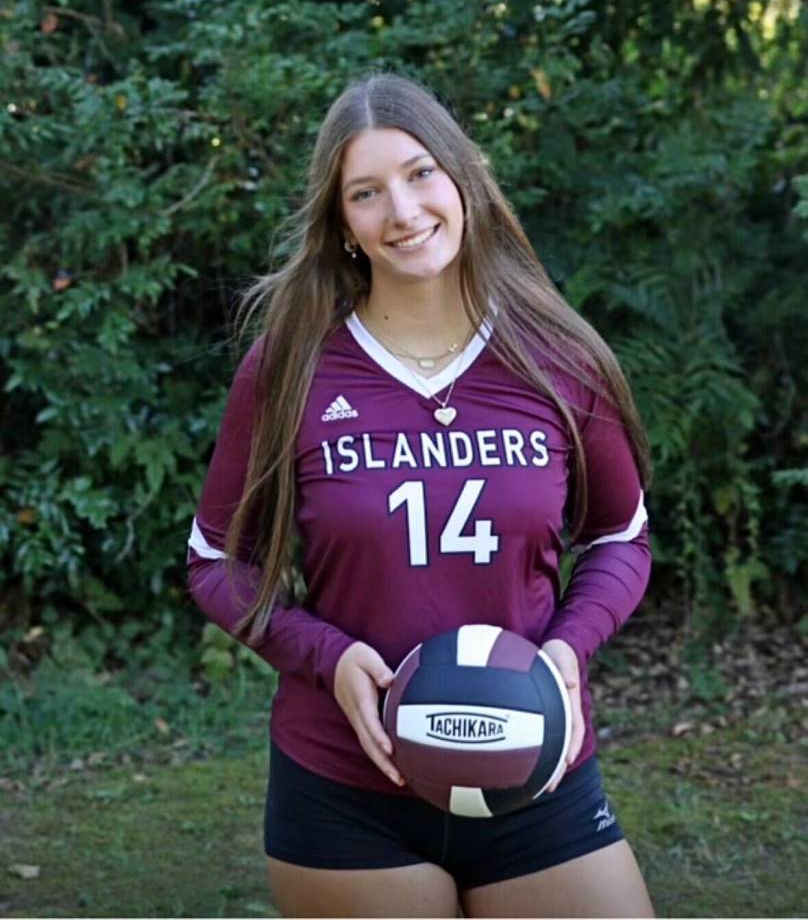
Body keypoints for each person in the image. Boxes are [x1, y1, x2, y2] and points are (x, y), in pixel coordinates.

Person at [187, 72, 655, 918]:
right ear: (343, 225)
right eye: (366, 193)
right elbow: (216, 560)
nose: (402, 211)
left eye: (420, 173)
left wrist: (567, 650)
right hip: (346, 789)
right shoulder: (291, 365)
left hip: (531, 760)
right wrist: (327, 657)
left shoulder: (558, 358)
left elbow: (622, 535)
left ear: (463, 177)